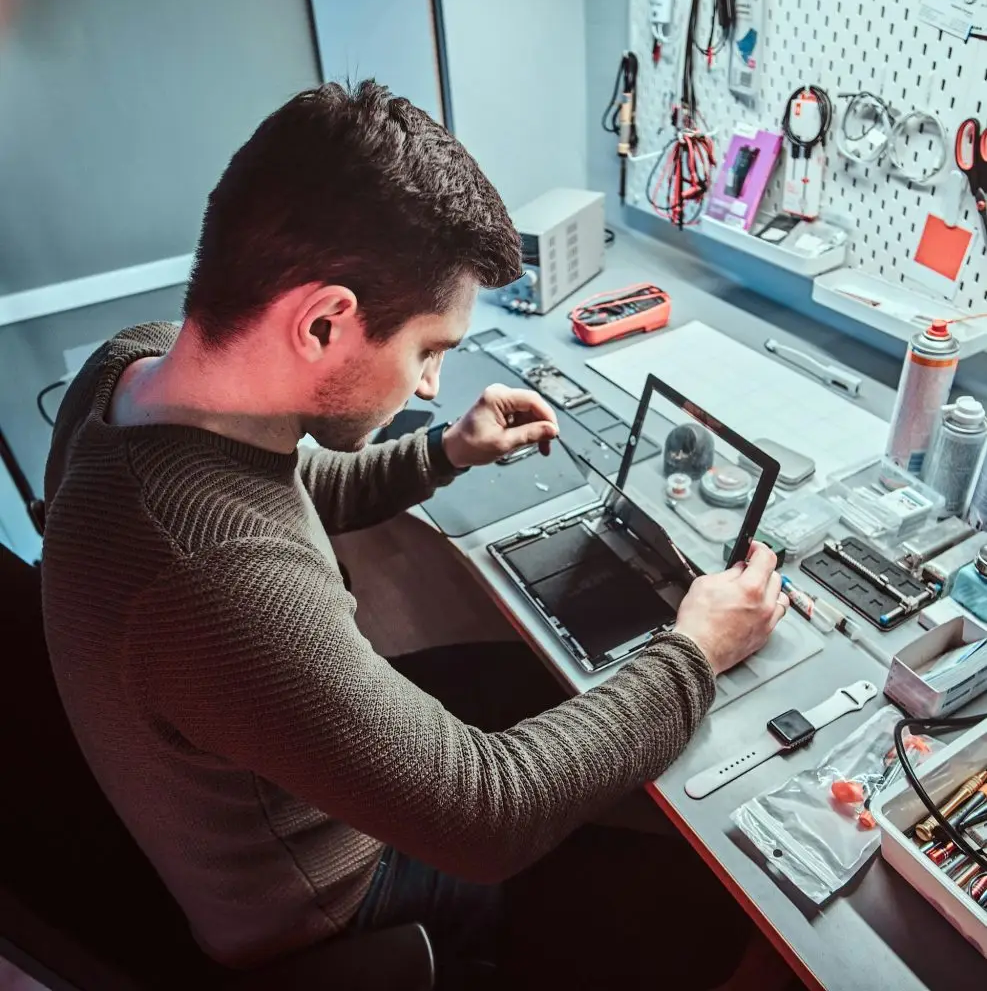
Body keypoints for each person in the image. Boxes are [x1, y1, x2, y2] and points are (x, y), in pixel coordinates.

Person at [41, 81, 790, 989]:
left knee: (519, 674)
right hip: (340, 904)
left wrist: (445, 454)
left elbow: (274, 492)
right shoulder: (218, 579)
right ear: (324, 322)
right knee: (704, 907)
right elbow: (485, 816)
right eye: (427, 350)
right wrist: (694, 652)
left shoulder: (134, 365)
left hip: (248, 778)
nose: (431, 384)